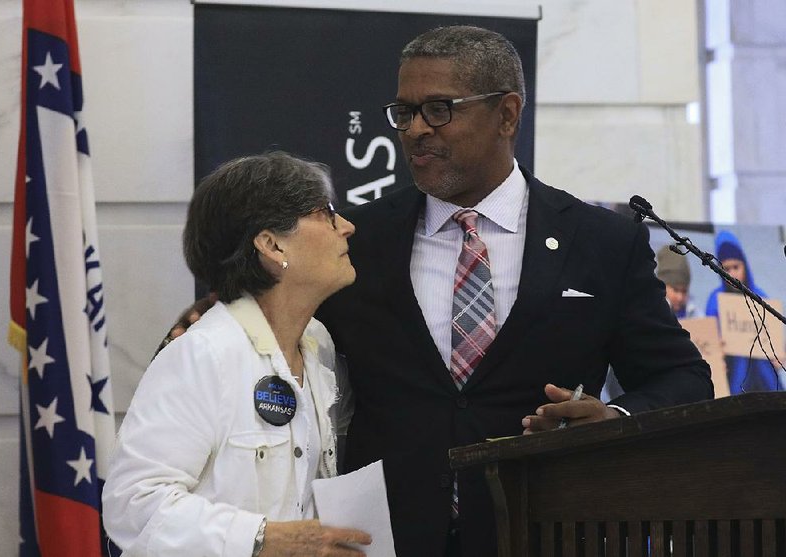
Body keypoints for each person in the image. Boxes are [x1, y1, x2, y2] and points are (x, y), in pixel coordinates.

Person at [169, 26, 712, 557]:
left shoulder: (601, 241)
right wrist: (218, 317)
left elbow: (682, 377)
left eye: (439, 109)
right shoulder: (355, 241)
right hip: (384, 539)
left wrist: (613, 419)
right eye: (404, 112)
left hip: (546, 528)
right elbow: (275, 330)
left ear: (507, 114)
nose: (414, 130)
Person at [103, 152, 371, 556]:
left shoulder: (320, 346)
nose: (347, 227)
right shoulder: (201, 354)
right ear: (271, 243)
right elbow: (133, 504)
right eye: (325, 214)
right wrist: (263, 539)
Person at [705, 230, 780, 394]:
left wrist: (780, 355)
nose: (732, 274)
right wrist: (717, 356)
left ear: (745, 265)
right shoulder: (715, 301)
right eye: (726, 268)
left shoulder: (760, 297)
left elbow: (775, 339)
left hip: (767, 383)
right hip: (733, 382)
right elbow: (709, 340)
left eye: (736, 267)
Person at [656, 245, 700, 319]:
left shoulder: (694, 313)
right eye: (675, 290)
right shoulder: (650, 312)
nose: (680, 297)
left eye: (684, 291)